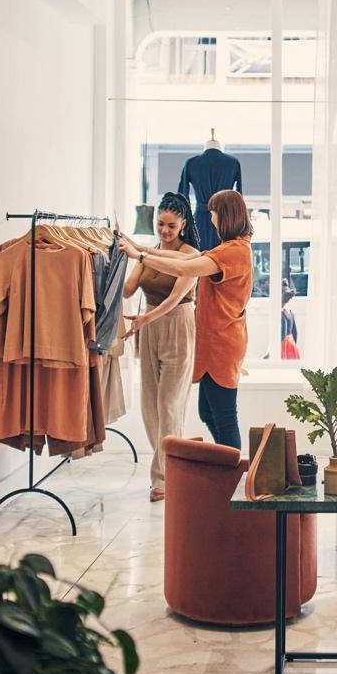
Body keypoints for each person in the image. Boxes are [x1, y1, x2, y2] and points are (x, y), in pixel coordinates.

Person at [120, 189, 253, 450]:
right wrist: (141, 248)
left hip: (222, 343)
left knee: (224, 418)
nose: (211, 218)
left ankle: (231, 472)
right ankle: (225, 467)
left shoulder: (234, 252)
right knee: (207, 412)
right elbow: (186, 258)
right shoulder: (231, 248)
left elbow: (185, 267)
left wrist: (142, 256)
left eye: (213, 213)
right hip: (214, 339)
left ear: (224, 216)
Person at [123, 192, 199, 502]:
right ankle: (170, 468)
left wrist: (145, 319)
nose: (164, 231)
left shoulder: (193, 256)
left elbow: (173, 299)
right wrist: (109, 261)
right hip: (149, 326)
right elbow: (128, 290)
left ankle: (163, 479)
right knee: (150, 404)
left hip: (177, 324)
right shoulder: (151, 253)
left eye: (170, 225)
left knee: (169, 404)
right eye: (159, 224)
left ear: (182, 224)